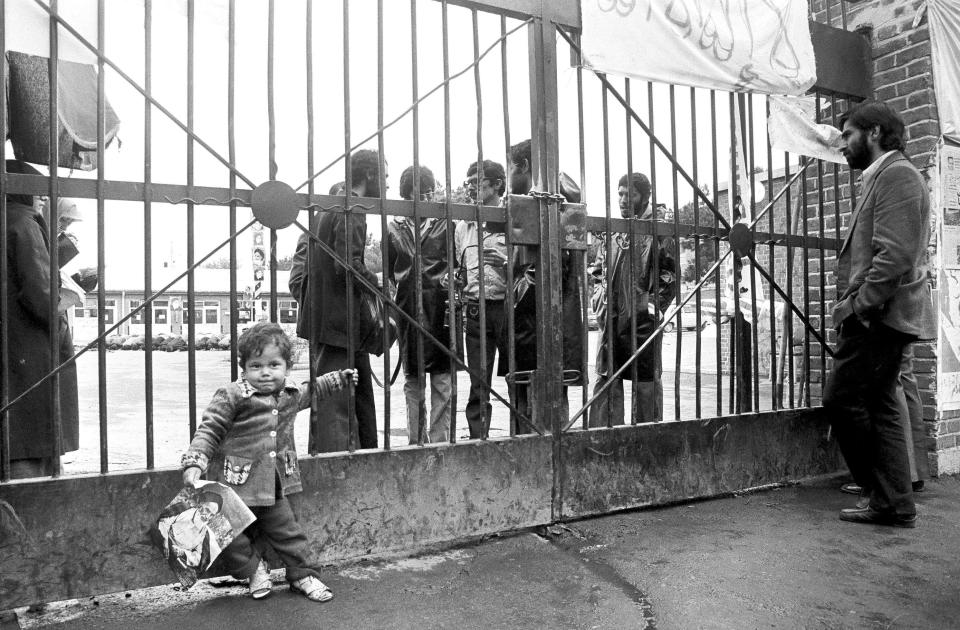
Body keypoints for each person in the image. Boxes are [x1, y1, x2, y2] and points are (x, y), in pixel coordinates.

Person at [180, 321, 357, 600]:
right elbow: (210, 429)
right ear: (244, 368)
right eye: (256, 366)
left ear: (286, 366)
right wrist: (195, 461)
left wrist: (338, 379)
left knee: (289, 534)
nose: (265, 373)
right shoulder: (232, 395)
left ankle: (303, 575)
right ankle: (253, 571)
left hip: (274, 488)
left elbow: (313, 390)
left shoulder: (289, 394)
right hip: (235, 488)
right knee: (229, 537)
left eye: (274, 365)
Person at [825, 101, 936, 528]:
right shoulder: (884, 176)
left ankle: (880, 493)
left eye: (849, 134)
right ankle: (893, 502)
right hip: (880, 312)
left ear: (873, 133)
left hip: (879, 314)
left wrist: (858, 306)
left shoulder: (898, 176)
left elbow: (894, 257)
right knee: (882, 403)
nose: (844, 144)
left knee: (843, 399)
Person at [297, 151, 385, 452]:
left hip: (330, 320)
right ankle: (334, 467)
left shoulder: (330, 206)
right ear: (370, 176)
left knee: (352, 400)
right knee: (335, 406)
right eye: (383, 177)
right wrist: (378, 288)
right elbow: (347, 265)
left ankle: (365, 456)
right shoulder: (352, 207)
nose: (385, 185)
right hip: (338, 322)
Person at [3, 160, 79, 479]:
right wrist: (62, 306)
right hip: (29, 353)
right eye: (40, 194)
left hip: (10, 347)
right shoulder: (22, 221)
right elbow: (41, 296)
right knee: (31, 444)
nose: (43, 201)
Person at [587, 173, 676, 426]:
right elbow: (597, 269)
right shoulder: (614, 230)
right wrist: (600, 300)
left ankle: (646, 440)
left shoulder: (658, 229)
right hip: (612, 319)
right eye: (620, 193)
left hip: (641, 321)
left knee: (645, 384)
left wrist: (650, 310)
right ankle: (605, 440)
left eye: (630, 194)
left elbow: (668, 277)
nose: (623, 199)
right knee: (608, 381)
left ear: (644, 197)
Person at [507, 139, 584, 430]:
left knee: (537, 404)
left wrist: (514, 295)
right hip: (536, 321)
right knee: (534, 398)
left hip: (536, 321)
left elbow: (548, 267)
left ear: (525, 166)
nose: (508, 177)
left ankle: (537, 465)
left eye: (511, 168)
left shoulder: (549, 201)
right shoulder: (542, 199)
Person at [385, 165, 457, 444]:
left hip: (440, 309)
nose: (425, 197)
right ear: (407, 194)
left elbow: (453, 262)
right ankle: (416, 441)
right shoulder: (393, 227)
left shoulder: (444, 223)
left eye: (428, 190)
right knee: (413, 381)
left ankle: (439, 442)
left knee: (442, 380)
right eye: (418, 192)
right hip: (407, 310)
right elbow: (392, 270)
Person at [455, 160, 510, 439]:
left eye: (477, 181)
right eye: (468, 182)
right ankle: (479, 439)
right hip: (476, 308)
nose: (471, 187)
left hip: (508, 308)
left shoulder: (513, 219)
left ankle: (523, 435)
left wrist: (506, 262)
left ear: (497, 184)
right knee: (478, 381)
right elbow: (459, 269)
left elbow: (530, 269)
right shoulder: (463, 227)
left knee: (517, 376)